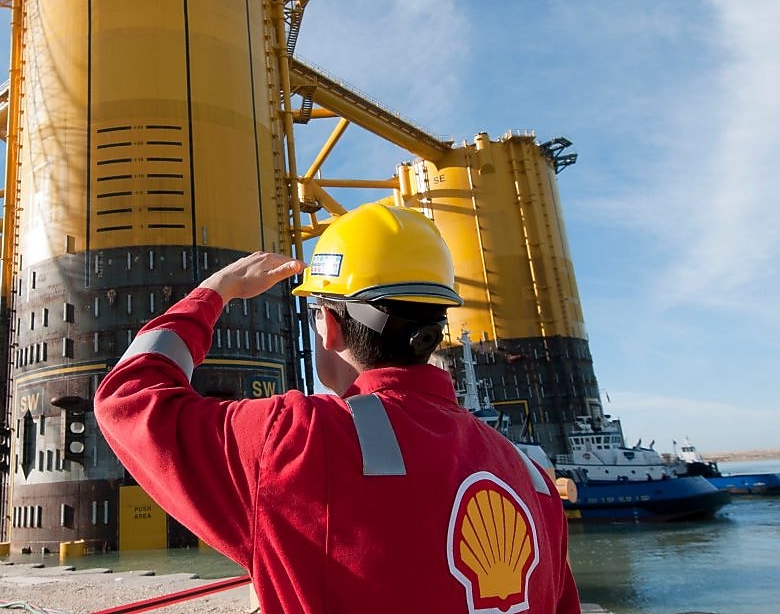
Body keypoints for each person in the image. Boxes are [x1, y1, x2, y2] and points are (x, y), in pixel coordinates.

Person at [95, 203, 580, 613]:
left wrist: (213, 293)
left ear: (328, 324)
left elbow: (128, 398)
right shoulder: (532, 477)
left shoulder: (299, 440)